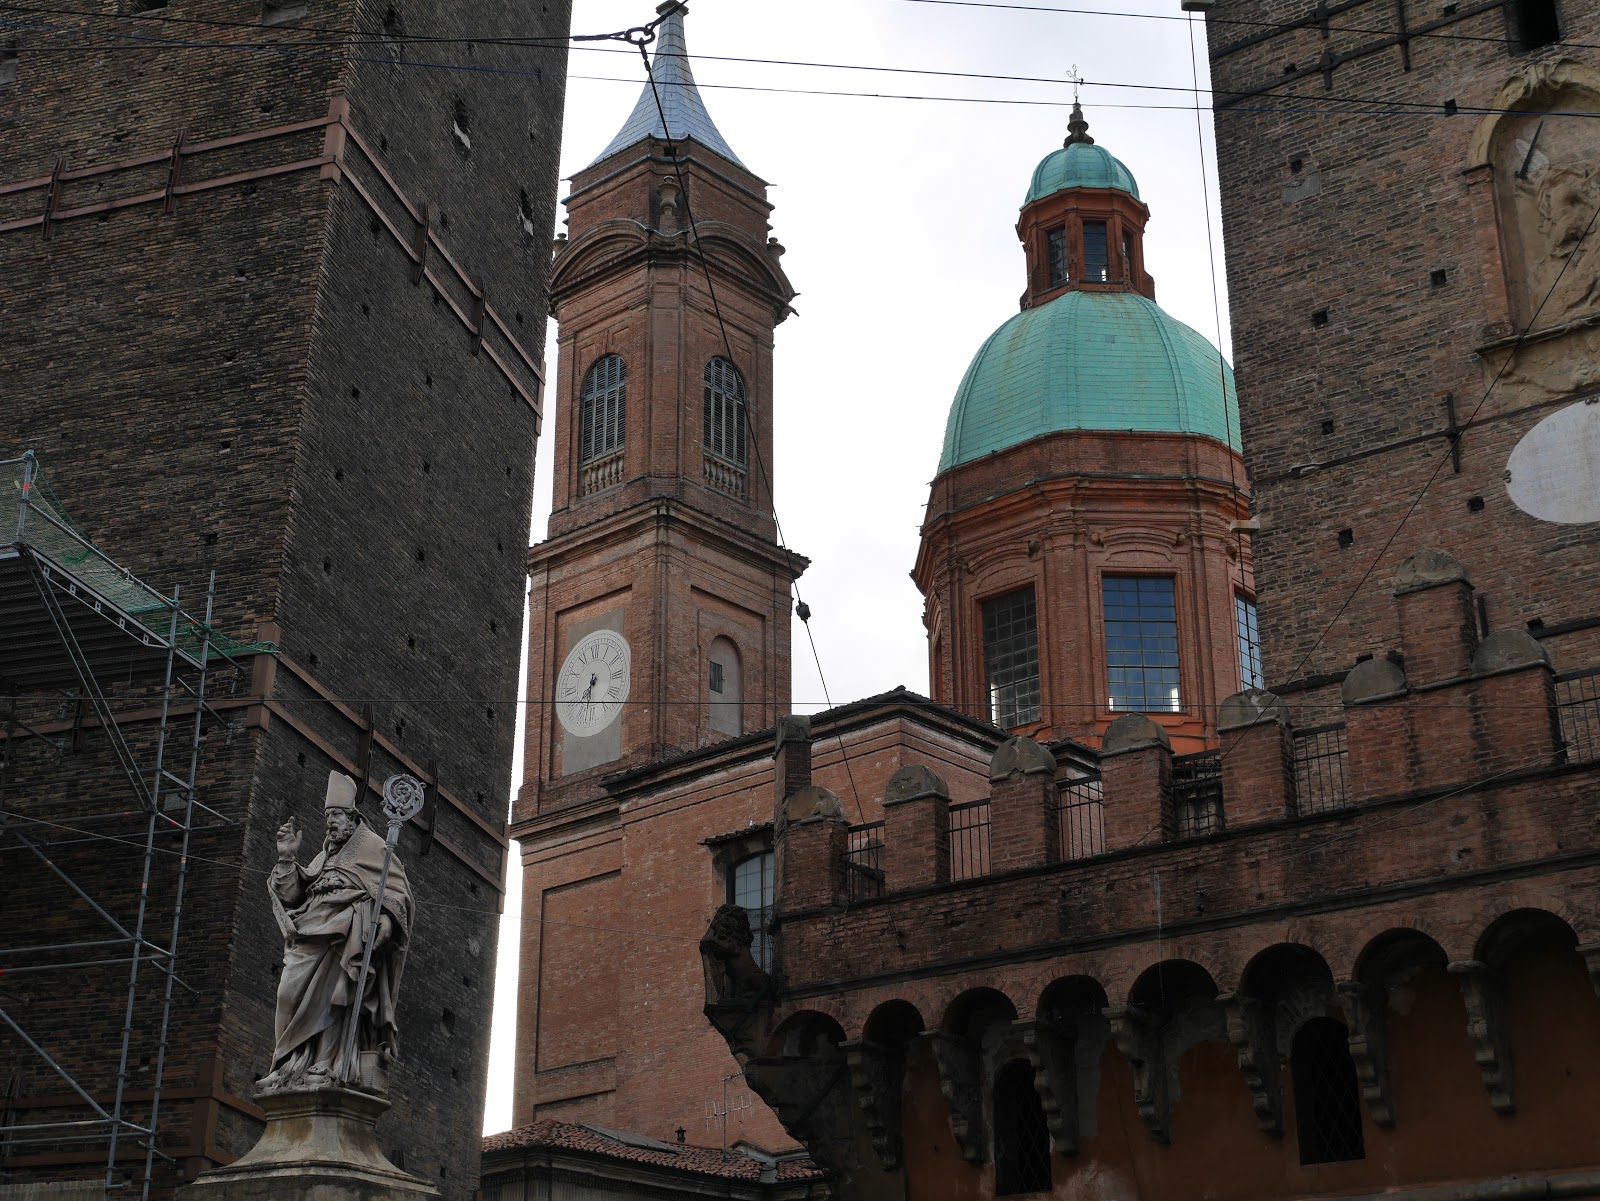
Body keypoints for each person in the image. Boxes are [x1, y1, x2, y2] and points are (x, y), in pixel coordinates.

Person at [258, 770, 414, 1094]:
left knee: (335, 998)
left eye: (337, 815)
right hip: (308, 933)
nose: (331, 822)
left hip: (344, 934)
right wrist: (287, 859)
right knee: (286, 994)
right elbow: (292, 897)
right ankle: (285, 1065)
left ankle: (324, 1064)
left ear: (353, 817)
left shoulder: (373, 847)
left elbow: (398, 891)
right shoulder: (321, 858)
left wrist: (385, 918)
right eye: (328, 816)